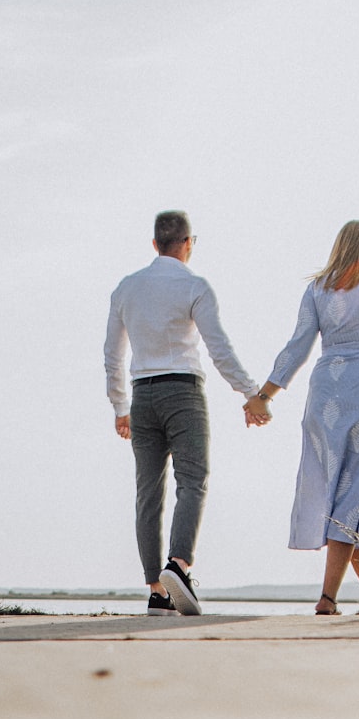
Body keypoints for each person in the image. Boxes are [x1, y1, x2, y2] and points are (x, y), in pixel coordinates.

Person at [243, 220, 359, 615]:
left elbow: (298, 345)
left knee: (348, 499)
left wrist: (264, 395)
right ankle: (328, 599)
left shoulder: (318, 289)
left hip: (326, 398)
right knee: (353, 497)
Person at [105, 210, 261, 616]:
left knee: (147, 494)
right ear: (189, 243)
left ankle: (157, 591)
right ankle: (178, 565)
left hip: (142, 395)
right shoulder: (194, 286)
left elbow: (112, 354)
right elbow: (218, 348)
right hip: (184, 393)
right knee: (193, 480)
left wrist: (120, 405)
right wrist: (251, 393)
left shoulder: (126, 288)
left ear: (155, 244)